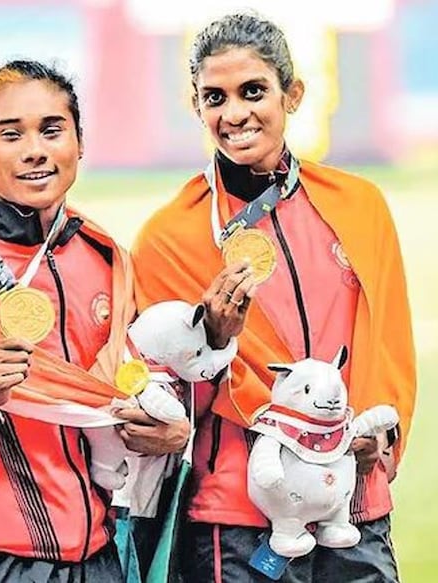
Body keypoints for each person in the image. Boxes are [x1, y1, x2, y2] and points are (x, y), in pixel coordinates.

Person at [131, 12, 415, 582]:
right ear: (197, 107)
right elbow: (165, 387)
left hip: (350, 502)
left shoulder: (360, 206)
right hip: (237, 512)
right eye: (215, 97)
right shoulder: (169, 236)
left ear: (293, 94)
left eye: (253, 91)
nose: (234, 114)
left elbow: (388, 344)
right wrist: (210, 339)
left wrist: (379, 434)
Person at [0, 59, 187, 582]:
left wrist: (165, 432)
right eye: (10, 134)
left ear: (79, 141)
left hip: (101, 552)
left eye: (52, 130)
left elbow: (132, 383)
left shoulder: (106, 257)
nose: (35, 150)